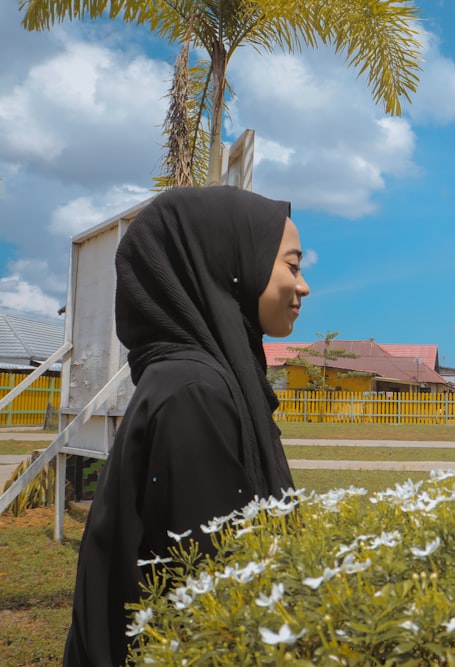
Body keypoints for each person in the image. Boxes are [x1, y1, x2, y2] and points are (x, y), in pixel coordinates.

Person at [63, 186, 310, 666]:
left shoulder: (189, 381)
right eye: (292, 266)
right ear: (230, 266)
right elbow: (215, 592)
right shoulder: (195, 394)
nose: (303, 286)